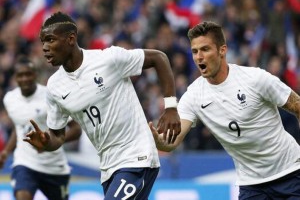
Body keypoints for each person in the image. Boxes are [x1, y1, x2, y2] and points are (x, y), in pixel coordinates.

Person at [23, 11, 181, 200]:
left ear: (70, 39)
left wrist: (171, 107)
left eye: (50, 40)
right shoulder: (55, 86)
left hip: (137, 156)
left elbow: (159, 58)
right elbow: (58, 135)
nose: (45, 48)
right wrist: (46, 143)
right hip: (108, 167)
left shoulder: (108, 59)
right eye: (43, 42)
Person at [150, 21, 300, 200]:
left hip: (291, 173)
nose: (199, 57)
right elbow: (172, 142)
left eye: (205, 49)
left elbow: (297, 106)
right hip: (251, 185)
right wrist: (158, 141)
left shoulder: (255, 79)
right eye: (195, 51)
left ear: (222, 50)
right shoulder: (194, 95)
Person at [0, 56, 82, 200]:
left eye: (28, 74)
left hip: (54, 167)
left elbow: (76, 130)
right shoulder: (10, 99)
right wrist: (6, 151)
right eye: (20, 75)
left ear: (35, 75)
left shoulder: (50, 96)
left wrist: (50, 143)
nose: (25, 78)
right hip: (25, 163)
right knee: (22, 196)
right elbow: (19, 127)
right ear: (15, 77)